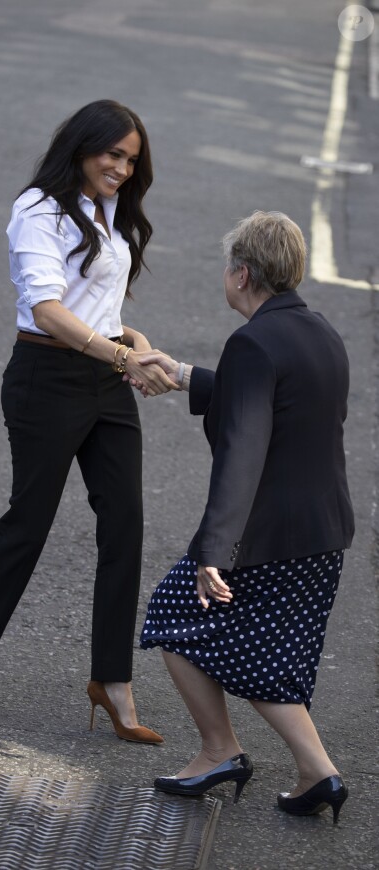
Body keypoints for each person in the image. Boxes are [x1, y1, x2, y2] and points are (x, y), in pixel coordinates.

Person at [0, 99, 176, 742]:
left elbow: (95, 306)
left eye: (131, 160)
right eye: (112, 155)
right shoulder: (38, 209)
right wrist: (120, 352)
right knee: (28, 525)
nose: (122, 169)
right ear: (81, 147)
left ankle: (113, 681)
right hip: (46, 380)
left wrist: (132, 342)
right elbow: (46, 309)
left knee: (125, 525)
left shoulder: (111, 210)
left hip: (105, 378)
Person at [136, 211, 354, 821]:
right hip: (323, 534)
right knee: (271, 656)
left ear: (241, 273)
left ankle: (220, 751)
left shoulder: (252, 343)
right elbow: (275, 402)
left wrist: (214, 551)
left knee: (175, 615)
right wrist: (181, 375)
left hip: (267, 539)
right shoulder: (319, 332)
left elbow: (243, 451)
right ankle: (318, 775)